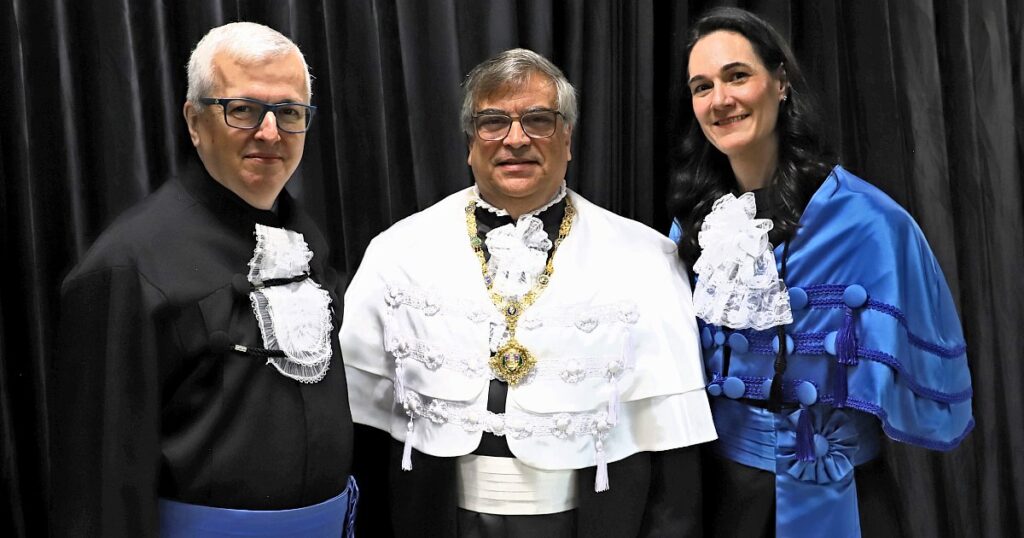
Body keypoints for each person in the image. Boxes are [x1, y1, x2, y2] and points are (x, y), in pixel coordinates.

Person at [342, 48, 716, 537]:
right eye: (492, 121)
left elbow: (675, 458)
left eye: (538, 120)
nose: (515, 139)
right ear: (470, 142)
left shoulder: (647, 257)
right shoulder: (397, 251)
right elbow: (363, 442)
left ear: (568, 138)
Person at [668, 7, 973, 537]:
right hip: (721, 497)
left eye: (737, 75)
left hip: (843, 491)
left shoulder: (872, 222)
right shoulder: (692, 226)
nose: (720, 100)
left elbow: (927, 378)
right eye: (702, 86)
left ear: (780, 82)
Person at [49, 22, 356, 537]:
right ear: (195, 121)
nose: (270, 133)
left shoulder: (304, 236)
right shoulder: (126, 266)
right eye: (243, 110)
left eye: (290, 113)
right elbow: (98, 488)